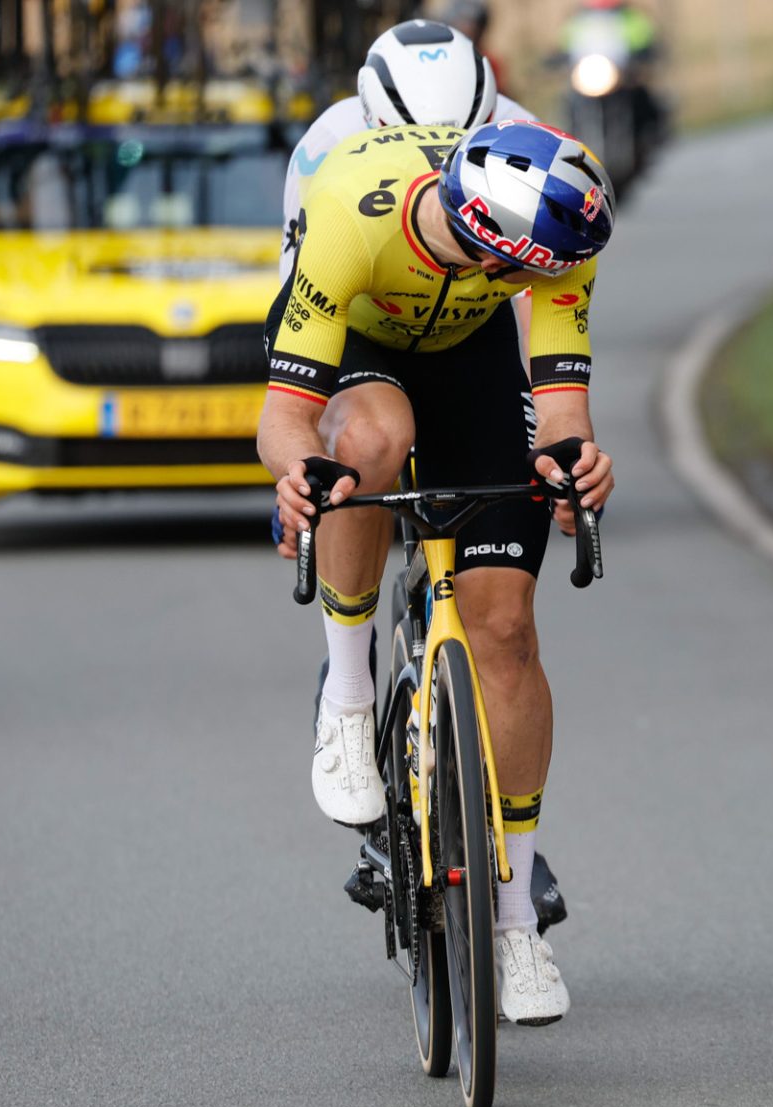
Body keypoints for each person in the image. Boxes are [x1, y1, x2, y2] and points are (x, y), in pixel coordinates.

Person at [259, 118, 615, 1023]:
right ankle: (347, 691)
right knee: (375, 441)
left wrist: (578, 469)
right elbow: (285, 420)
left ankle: (512, 923)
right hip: (362, 349)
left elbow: (562, 404)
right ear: (498, 253)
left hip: (471, 355)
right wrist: (302, 473)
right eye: (535, 274)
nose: (553, 285)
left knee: (505, 630)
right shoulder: (350, 215)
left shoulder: (564, 219)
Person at [279, 19, 529, 282]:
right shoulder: (329, 140)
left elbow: (537, 285)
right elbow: (297, 275)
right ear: (375, 120)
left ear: (491, 114)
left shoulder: (520, 128)